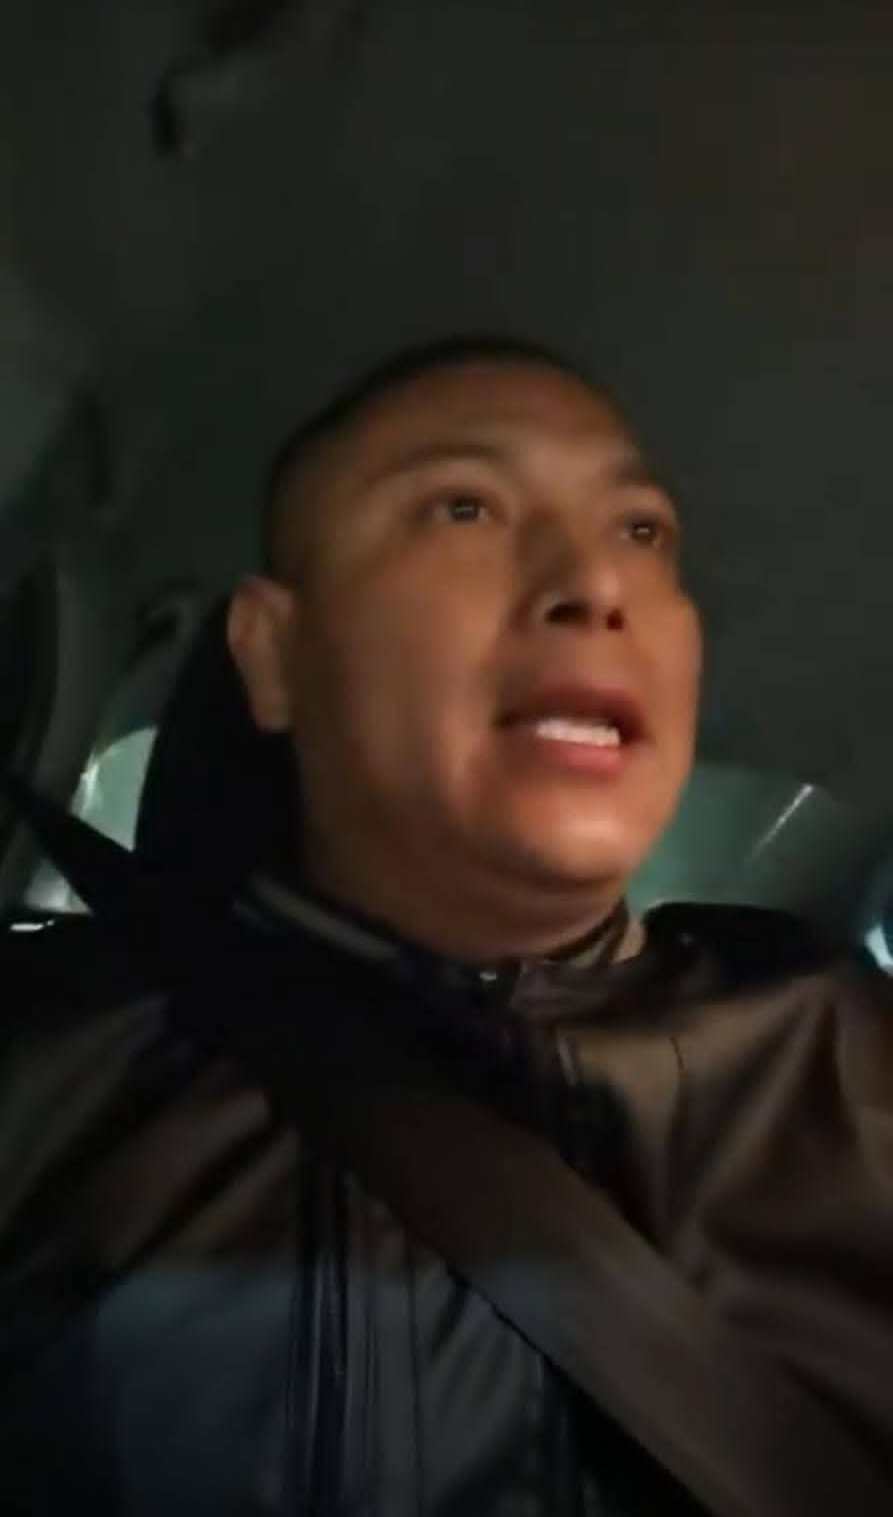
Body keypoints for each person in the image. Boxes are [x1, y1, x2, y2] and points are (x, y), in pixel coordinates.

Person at [0, 338, 890, 1515]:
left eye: (642, 532)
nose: (596, 582)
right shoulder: (54, 1068)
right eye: (461, 508)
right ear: (272, 652)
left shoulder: (844, 1048)